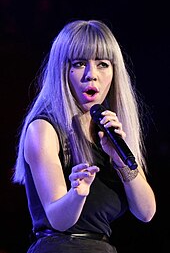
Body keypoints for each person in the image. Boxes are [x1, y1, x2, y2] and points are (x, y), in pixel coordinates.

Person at [13, 19, 156, 253]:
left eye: (102, 64)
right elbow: (59, 219)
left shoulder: (110, 133)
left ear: (114, 71)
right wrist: (77, 193)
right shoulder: (44, 129)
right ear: (62, 71)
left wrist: (120, 160)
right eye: (79, 64)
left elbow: (146, 212)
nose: (91, 75)